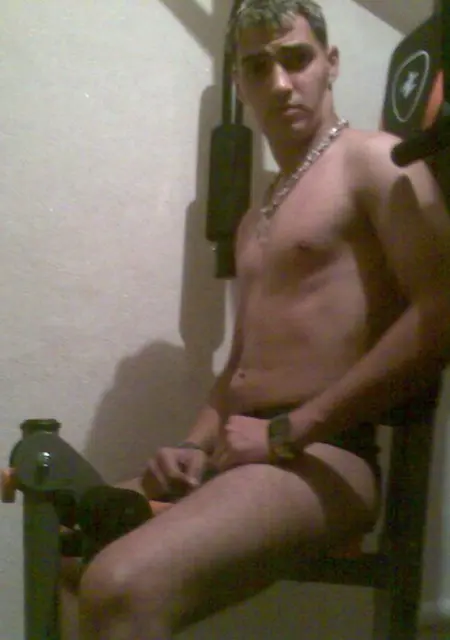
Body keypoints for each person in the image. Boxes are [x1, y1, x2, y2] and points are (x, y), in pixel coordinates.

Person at [74, 1, 450, 638]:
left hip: (328, 453)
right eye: (257, 67)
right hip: (245, 450)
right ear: (241, 83)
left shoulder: (375, 161)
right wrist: (191, 445)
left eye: (296, 58)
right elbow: (240, 366)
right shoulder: (258, 215)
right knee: (73, 552)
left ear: (331, 64)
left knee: (118, 585)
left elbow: (441, 311)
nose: (279, 83)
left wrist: (288, 431)